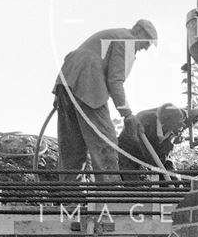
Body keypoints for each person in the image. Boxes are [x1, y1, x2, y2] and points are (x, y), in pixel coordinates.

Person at [52, 19, 157, 182]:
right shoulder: (127, 40)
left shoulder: (115, 34)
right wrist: (127, 113)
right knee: (105, 142)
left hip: (66, 83)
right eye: (147, 41)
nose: (146, 47)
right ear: (139, 31)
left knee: (72, 150)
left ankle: (70, 202)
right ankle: (110, 194)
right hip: (88, 84)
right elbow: (115, 80)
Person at [118, 103, 187, 182]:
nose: (183, 125)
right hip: (129, 151)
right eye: (179, 124)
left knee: (173, 178)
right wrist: (169, 144)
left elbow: (193, 114)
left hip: (155, 151)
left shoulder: (177, 118)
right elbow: (154, 163)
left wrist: (174, 136)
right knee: (133, 184)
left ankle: (174, 191)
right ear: (166, 122)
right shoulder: (144, 124)